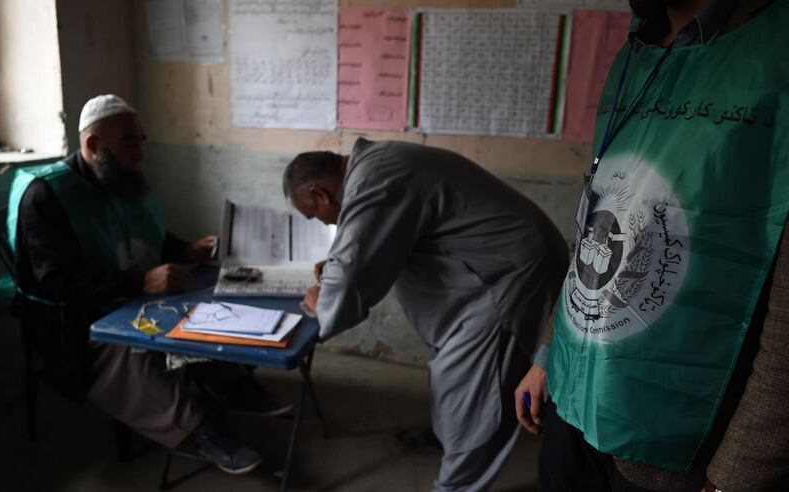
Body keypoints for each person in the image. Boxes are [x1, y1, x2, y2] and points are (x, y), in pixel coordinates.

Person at [517, 0, 789, 490]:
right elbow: (592, 226)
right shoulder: (636, 54)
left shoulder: (775, 53)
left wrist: (739, 477)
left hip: (667, 448)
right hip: (572, 403)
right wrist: (547, 358)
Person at [8, 94, 284, 474]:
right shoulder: (46, 196)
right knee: (133, 347)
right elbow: (56, 282)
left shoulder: (120, 175)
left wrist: (185, 248)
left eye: (141, 141)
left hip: (131, 294)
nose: (140, 154)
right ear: (92, 145)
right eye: (128, 143)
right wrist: (140, 281)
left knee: (207, 300)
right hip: (73, 322)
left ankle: (226, 381)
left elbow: (143, 236)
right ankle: (200, 429)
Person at [285, 138, 568, 491]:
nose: (320, 221)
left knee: (478, 400)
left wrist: (320, 301)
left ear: (321, 193)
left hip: (504, 280)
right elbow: (380, 241)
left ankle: (457, 483)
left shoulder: (374, 178)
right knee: (451, 376)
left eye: (313, 214)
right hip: (490, 270)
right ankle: (446, 437)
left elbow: (353, 267)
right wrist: (336, 269)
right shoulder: (374, 165)